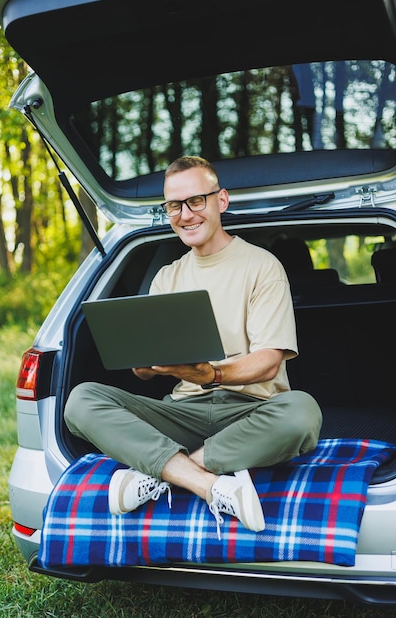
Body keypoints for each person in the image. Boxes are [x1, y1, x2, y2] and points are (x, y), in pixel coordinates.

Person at [64, 156, 322, 538]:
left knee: (303, 412)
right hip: (181, 413)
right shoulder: (167, 277)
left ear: (222, 200)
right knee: (81, 400)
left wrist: (212, 374)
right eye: (173, 205)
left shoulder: (263, 266)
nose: (185, 215)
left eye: (196, 201)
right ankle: (209, 486)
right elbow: (142, 369)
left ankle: (164, 476)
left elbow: (268, 362)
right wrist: (148, 364)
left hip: (251, 412)